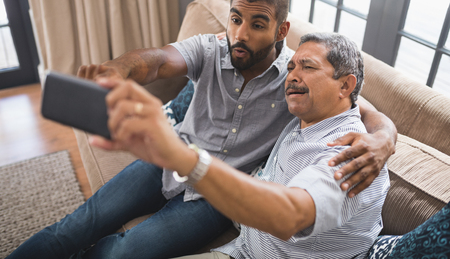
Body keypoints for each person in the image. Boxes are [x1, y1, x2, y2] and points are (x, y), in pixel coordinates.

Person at [7, 0, 396, 259]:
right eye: (234, 19)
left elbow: (357, 108)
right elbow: (157, 61)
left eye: (256, 24)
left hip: (216, 196)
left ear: (281, 30)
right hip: (166, 159)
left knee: (127, 251)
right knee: (76, 225)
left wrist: (384, 137)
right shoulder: (214, 49)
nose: (239, 34)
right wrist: (118, 70)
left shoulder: (296, 82)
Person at [90, 32, 390, 258]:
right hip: (241, 249)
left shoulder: (355, 155)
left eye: (307, 67)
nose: (292, 76)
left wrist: (180, 154)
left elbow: (289, 215)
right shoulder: (310, 112)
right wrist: (387, 132)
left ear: (345, 85)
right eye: (291, 67)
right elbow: (362, 108)